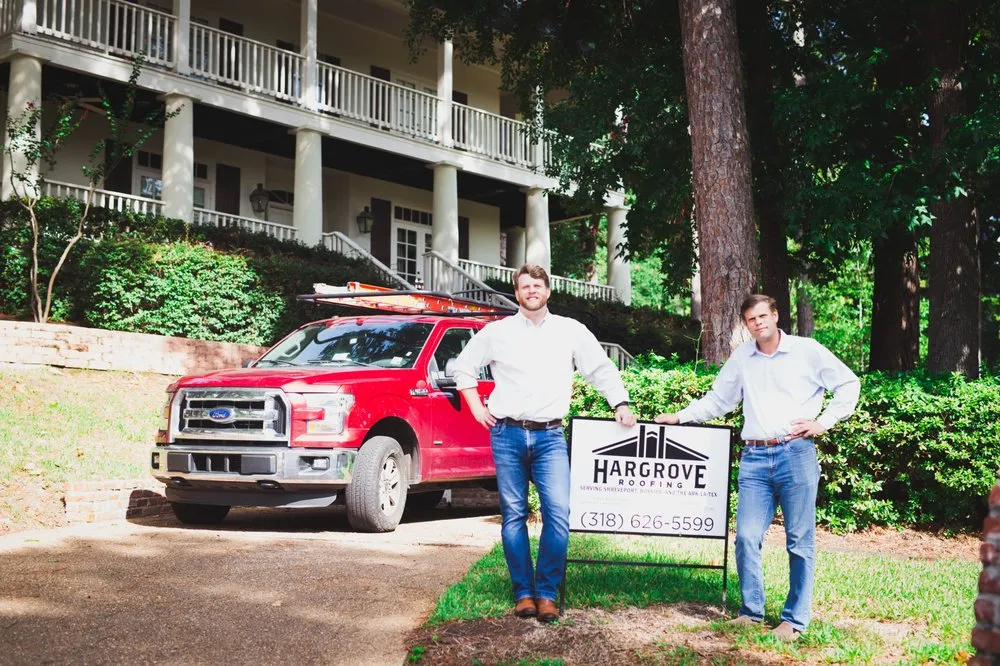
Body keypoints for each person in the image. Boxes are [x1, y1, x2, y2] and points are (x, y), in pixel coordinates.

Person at [654, 294, 859, 642]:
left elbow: (849, 383)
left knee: (799, 541)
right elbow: (719, 400)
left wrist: (824, 421)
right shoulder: (742, 358)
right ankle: (751, 613)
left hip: (796, 454)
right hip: (755, 459)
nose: (758, 323)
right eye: (751, 319)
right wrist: (679, 417)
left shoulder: (807, 351)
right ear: (746, 325)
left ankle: (793, 620)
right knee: (747, 536)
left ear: (776, 316)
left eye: (763, 316)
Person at [451, 263, 637, 623]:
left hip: (550, 436)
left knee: (558, 514)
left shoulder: (571, 331)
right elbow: (462, 367)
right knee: (514, 515)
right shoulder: (497, 332)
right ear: (517, 294)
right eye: (524, 286)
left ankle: (547, 592)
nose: (531, 291)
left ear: (547, 291)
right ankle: (523, 592)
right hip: (507, 433)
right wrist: (476, 406)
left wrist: (620, 403)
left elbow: (600, 369)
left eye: (537, 285)